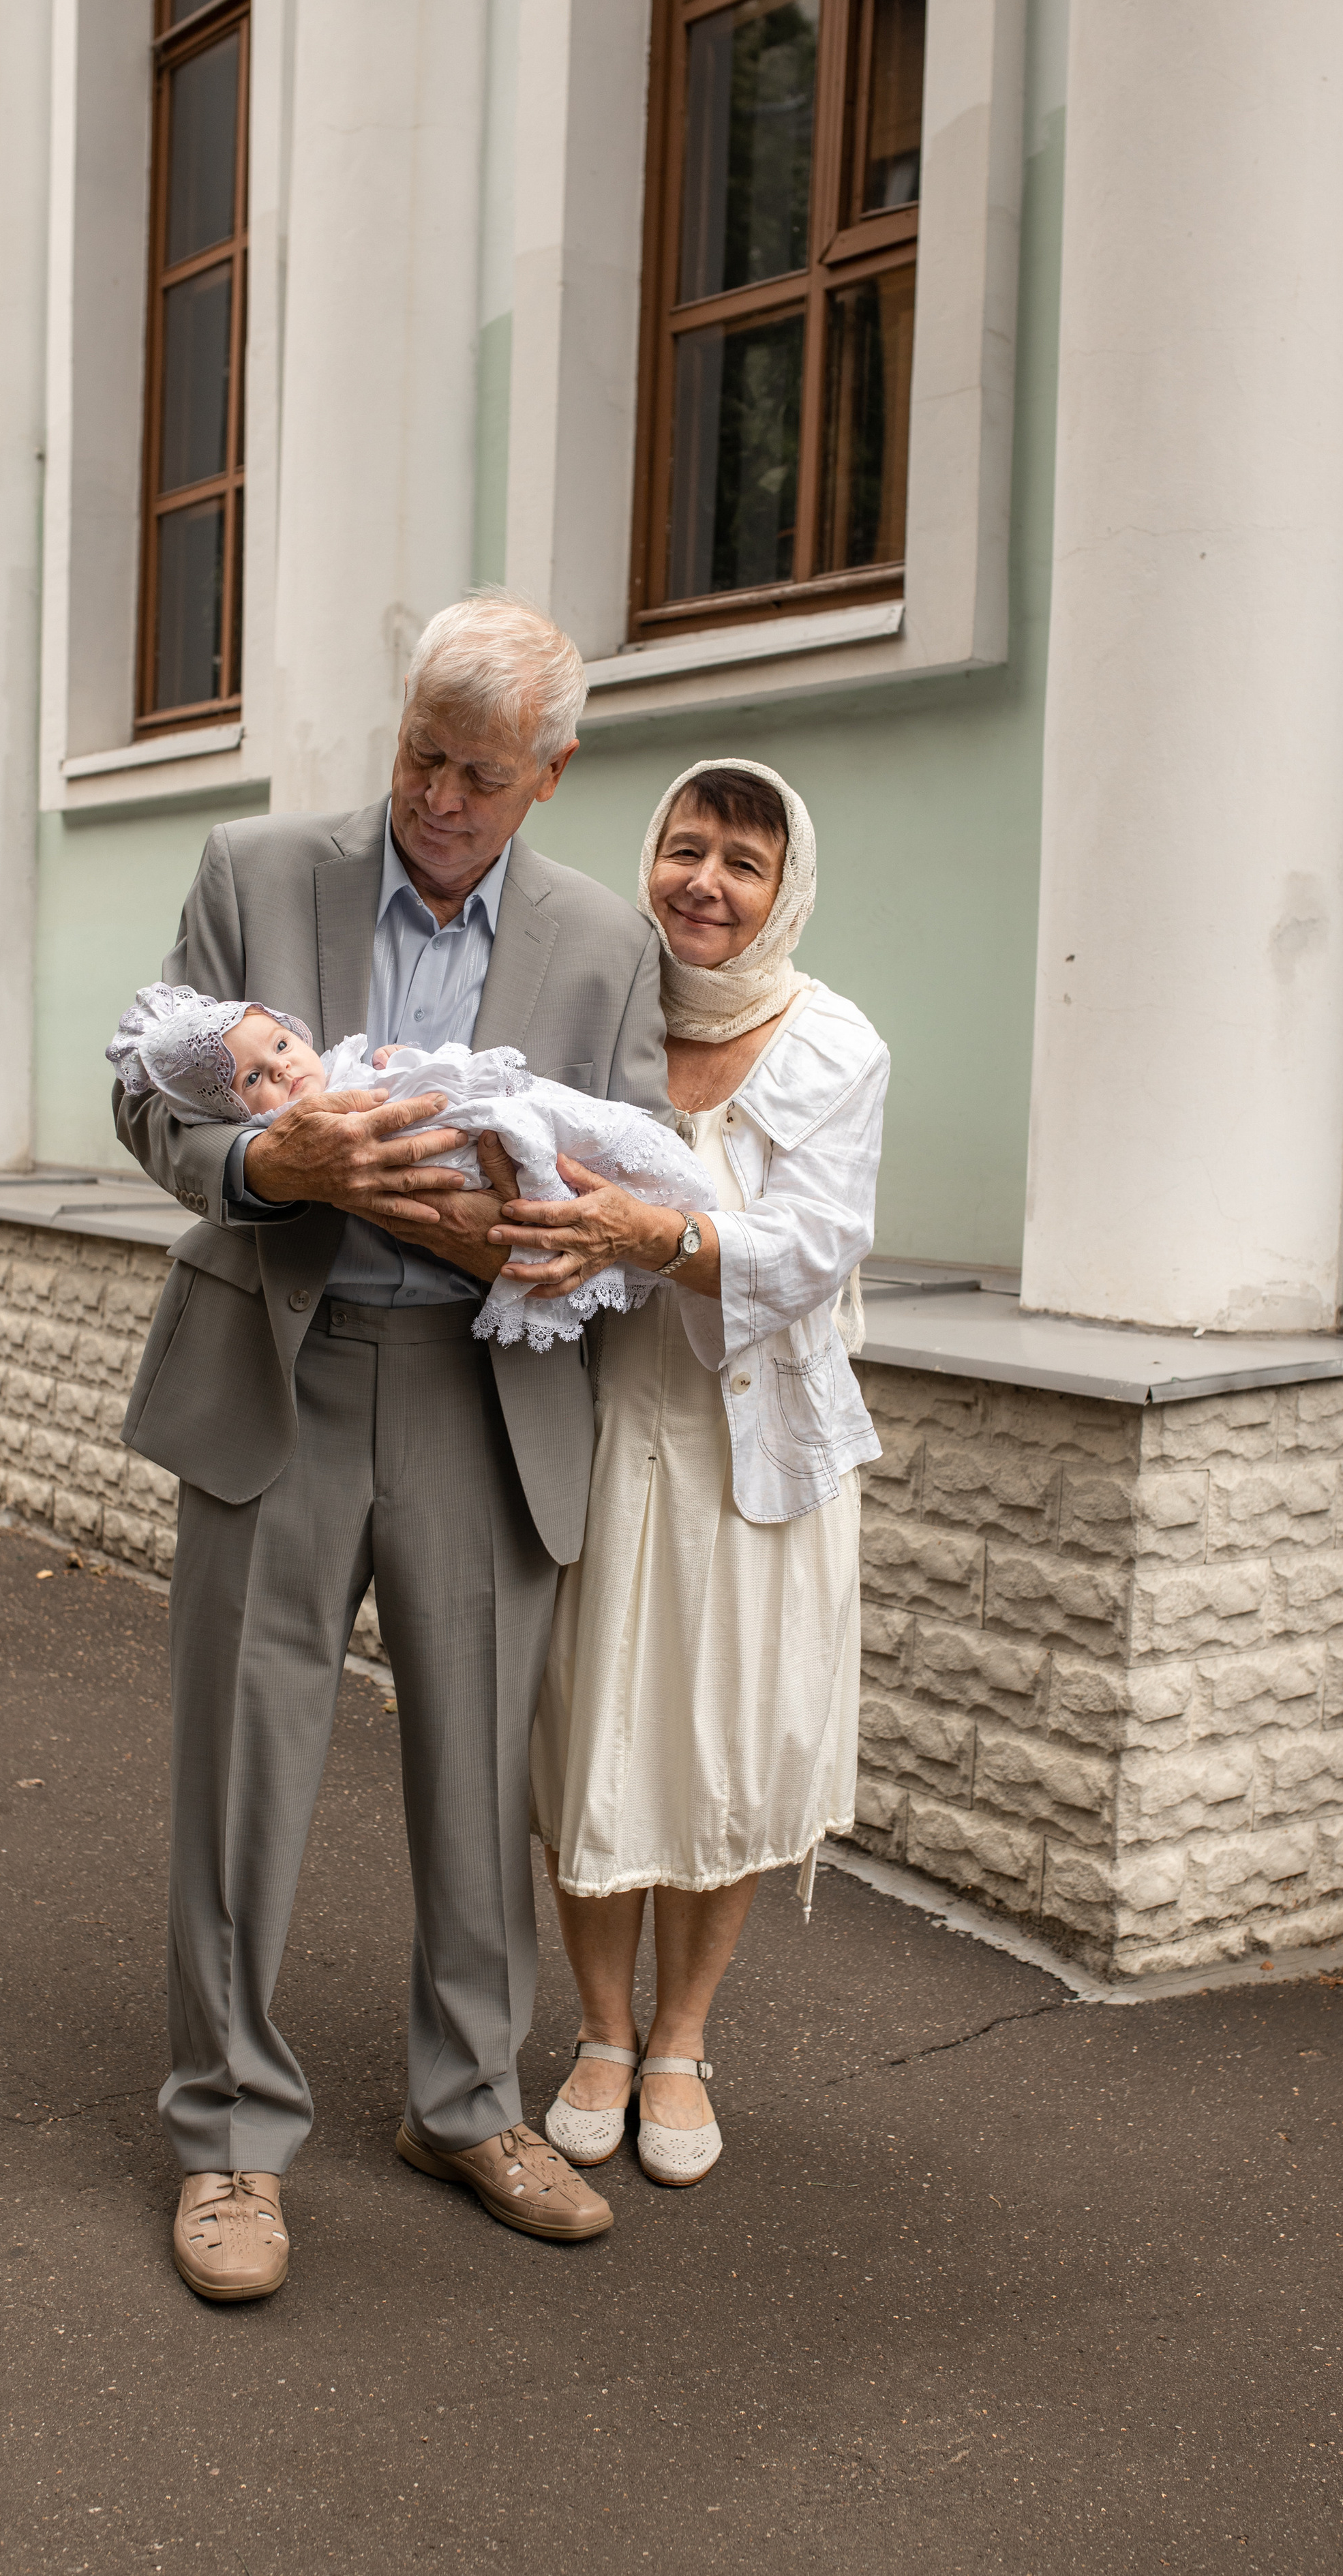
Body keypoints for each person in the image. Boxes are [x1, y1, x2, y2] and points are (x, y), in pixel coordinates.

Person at [111, 590, 668, 2301]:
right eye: (423, 754)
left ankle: (466, 2104)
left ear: (548, 776)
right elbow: (149, 1087)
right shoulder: (254, 870)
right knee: (243, 1763)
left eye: (479, 775)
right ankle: (226, 2130)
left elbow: (637, 1180)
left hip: (480, 1390)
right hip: (278, 1372)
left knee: (478, 1773)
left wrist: (552, 1234)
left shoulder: (605, 945)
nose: (437, 796)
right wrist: (265, 1167)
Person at [494, 758, 888, 2189]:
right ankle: (601, 2032)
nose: (705, 884)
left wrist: (654, 1236)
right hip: (599, 1422)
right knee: (597, 1731)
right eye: (685, 848)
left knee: (726, 1739)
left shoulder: (835, 1045)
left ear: (785, 891)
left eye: (742, 862)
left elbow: (813, 1250)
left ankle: (680, 2042)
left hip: (750, 1446)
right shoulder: (599, 1003)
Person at [104, 985, 716, 1350]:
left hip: (482, 1372)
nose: (283, 1069)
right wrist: (264, 1165)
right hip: (281, 1344)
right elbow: (144, 1109)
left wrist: (408, 1064)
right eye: (253, 1078)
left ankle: (635, 1185)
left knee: (568, 1147)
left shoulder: (341, 1065)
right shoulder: (283, 1120)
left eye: (283, 1046)